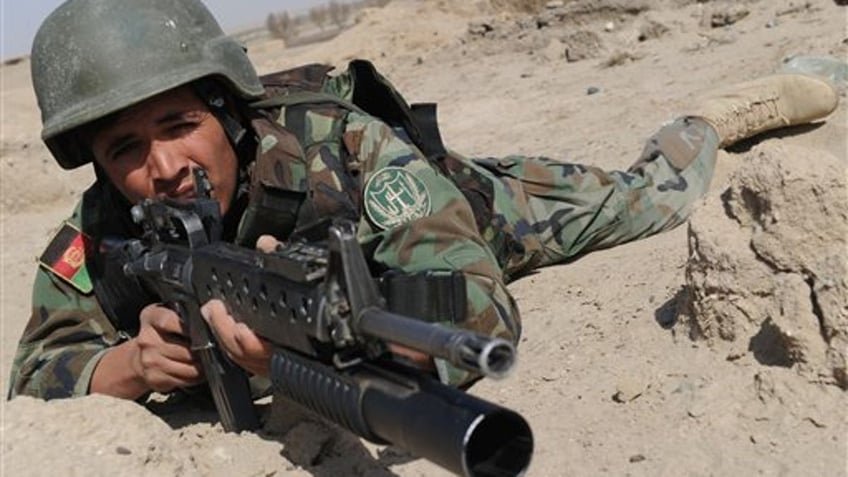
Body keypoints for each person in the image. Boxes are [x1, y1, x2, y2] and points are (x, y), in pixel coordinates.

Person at [7, 0, 838, 402]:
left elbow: (476, 309)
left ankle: (719, 115)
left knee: (651, 195)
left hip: (475, 208)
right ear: (96, 164)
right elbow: (34, 374)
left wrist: (318, 354)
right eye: (123, 148)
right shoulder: (102, 231)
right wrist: (126, 364)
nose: (161, 165)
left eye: (180, 124)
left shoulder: (341, 142)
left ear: (227, 109)